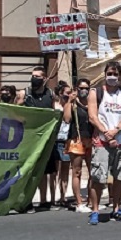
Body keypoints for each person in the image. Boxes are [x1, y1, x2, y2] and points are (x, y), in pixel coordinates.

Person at [87, 61, 121, 225]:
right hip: (101, 141)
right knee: (98, 178)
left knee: (119, 178)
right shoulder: (96, 92)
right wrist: (106, 133)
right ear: (105, 74)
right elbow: (92, 116)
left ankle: (116, 209)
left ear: (120, 76)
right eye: (109, 73)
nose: (112, 77)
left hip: (120, 141)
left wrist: (116, 130)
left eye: (115, 74)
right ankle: (95, 210)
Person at [21, 68, 58, 213]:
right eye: (32, 76)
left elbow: (55, 114)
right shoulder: (25, 94)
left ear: (44, 78)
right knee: (30, 171)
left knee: (44, 171)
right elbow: (14, 111)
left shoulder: (51, 94)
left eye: (37, 76)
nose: (34, 78)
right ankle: (27, 201)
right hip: (30, 139)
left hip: (46, 139)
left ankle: (44, 201)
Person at [70, 79, 94, 213]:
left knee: (93, 171)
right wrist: (69, 101)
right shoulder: (73, 103)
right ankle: (79, 203)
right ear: (76, 89)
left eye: (86, 88)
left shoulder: (92, 103)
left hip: (90, 139)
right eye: (81, 88)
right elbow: (67, 119)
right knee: (77, 171)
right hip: (76, 139)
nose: (83, 90)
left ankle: (91, 201)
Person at [48, 81, 74, 210]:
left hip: (66, 139)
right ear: (60, 93)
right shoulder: (54, 104)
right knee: (54, 171)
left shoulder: (70, 104)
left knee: (65, 170)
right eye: (67, 93)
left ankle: (63, 197)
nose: (69, 95)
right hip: (55, 139)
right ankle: (52, 198)